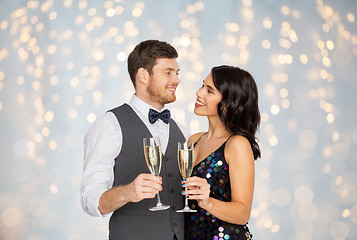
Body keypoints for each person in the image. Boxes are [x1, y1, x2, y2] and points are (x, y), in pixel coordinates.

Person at [80, 39, 189, 240]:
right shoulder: (109, 125)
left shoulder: (183, 132)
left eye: (177, 73)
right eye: (168, 72)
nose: (176, 80)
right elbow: (89, 199)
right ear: (143, 75)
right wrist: (128, 192)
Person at [183, 65, 260, 239]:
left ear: (227, 104)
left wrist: (207, 201)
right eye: (203, 85)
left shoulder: (237, 144)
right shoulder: (193, 140)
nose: (199, 92)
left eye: (209, 91)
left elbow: (242, 213)